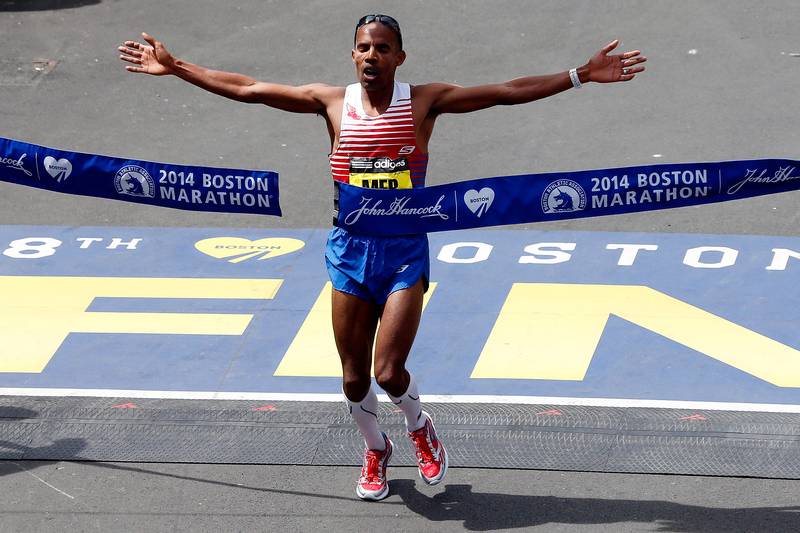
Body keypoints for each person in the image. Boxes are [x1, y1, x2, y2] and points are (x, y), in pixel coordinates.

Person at [119, 14, 646, 501]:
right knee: (353, 379)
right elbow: (250, 89)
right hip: (349, 252)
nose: (372, 56)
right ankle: (376, 449)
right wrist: (176, 67)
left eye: (383, 48)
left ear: (399, 58)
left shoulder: (423, 102)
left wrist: (580, 74)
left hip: (403, 254)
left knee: (389, 371)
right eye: (363, 47)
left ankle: (421, 431)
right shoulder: (330, 102)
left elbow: (505, 92)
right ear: (353, 55)